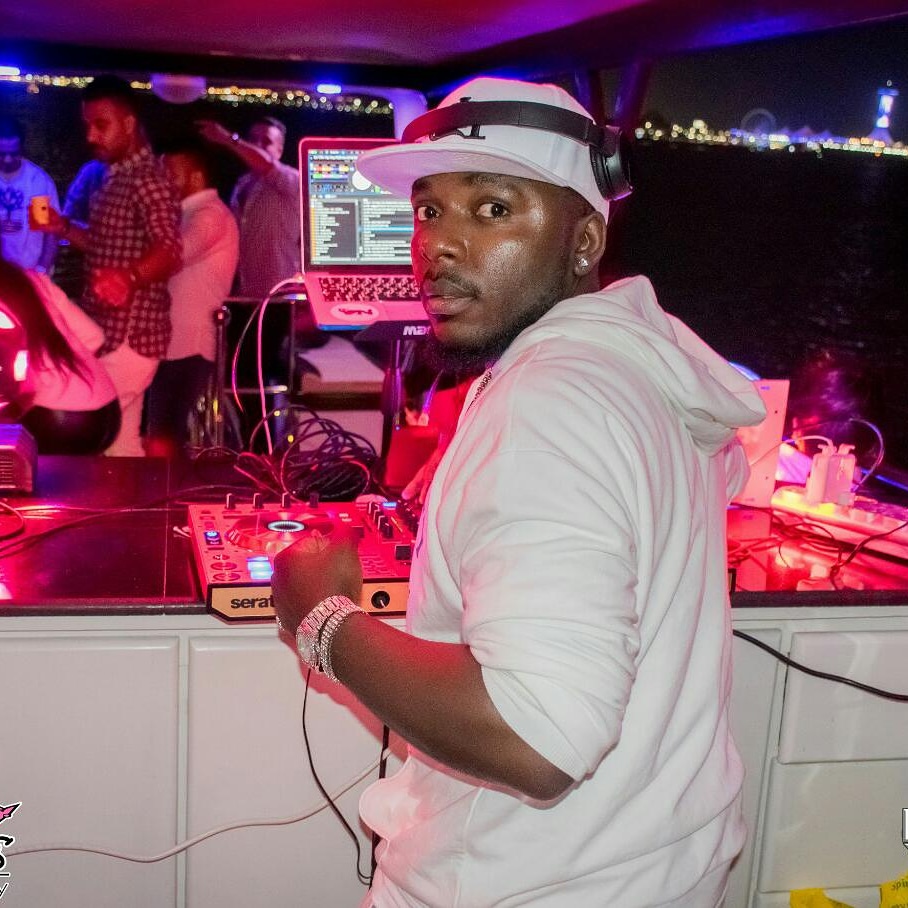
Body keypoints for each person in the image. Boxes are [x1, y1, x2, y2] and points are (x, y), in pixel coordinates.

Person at [271, 76, 767, 907]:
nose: (440, 245)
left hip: (526, 884)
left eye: (493, 209)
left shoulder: (548, 403)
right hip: (659, 872)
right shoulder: (641, 360)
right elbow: (694, 480)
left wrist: (322, 621)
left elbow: (536, 734)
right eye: (430, 211)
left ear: (584, 241)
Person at [34, 75, 182, 456]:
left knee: (91, 434)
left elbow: (170, 249)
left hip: (130, 336)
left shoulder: (148, 179)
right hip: (113, 334)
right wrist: (64, 227)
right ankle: (133, 494)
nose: (91, 136)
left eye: (101, 125)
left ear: (129, 124)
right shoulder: (114, 176)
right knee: (121, 443)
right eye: (88, 126)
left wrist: (129, 277)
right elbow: (104, 247)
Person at [145, 137, 239, 457]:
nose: (163, 181)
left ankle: (166, 487)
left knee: (165, 434)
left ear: (196, 177)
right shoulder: (190, 214)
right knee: (163, 432)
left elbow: (173, 255)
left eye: (170, 174)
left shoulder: (209, 215)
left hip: (190, 343)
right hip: (176, 341)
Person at [0, 257, 120, 454]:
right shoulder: (33, 279)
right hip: (106, 411)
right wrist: (63, 373)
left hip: (56, 417)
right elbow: (94, 336)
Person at [197, 115, 300, 299]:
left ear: (280, 149)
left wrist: (228, 138)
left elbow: (268, 165)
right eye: (253, 139)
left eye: (266, 141)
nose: (257, 145)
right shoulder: (243, 183)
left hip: (280, 292)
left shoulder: (292, 179)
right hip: (246, 289)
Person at [0, 115, 59, 274]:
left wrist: (41, 270)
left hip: (30, 273)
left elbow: (50, 233)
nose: (7, 159)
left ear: (22, 150)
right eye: (2, 153)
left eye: (13, 153)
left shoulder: (38, 183)